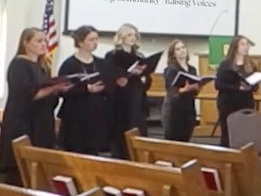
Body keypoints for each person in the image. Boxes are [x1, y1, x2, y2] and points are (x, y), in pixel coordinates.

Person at [0, 28, 71, 185]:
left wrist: (58, 89)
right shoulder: (19, 64)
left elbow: (45, 94)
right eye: (39, 41)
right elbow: (27, 95)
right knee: (20, 173)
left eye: (45, 40)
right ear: (26, 43)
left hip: (41, 123)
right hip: (23, 123)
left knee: (40, 172)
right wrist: (54, 88)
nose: (44, 44)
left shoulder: (41, 66)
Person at [56, 26, 111, 154]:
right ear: (80, 42)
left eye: (96, 39)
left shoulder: (101, 63)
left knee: (94, 153)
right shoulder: (69, 64)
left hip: (96, 115)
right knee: (75, 152)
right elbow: (61, 91)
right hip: (75, 116)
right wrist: (86, 89)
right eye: (91, 39)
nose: (95, 42)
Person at [104, 23, 152, 159]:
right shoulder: (112, 56)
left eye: (134, 35)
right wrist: (119, 79)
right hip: (120, 101)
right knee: (121, 137)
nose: (133, 38)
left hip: (137, 99)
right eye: (129, 35)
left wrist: (144, 79)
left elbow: (147, 78)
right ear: (121, 37)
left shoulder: (140, 56)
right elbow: (108, 77)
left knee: (138, 131)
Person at [214, 35, 258, 147]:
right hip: (228, 103)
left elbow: (255, 85)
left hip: (245, 102)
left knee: (244, 134)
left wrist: (250, 87)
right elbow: (218, 84)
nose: (246, 47)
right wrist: (237, 87)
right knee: (228, 134)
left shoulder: (251, 65)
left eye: (247, 44)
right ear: (235, 46)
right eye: (243, 44)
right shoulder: (226, 64)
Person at [162, 39, 201, 142]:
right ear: (173, 54)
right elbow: (171, 91)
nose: (182, 50)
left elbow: (195, 89)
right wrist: (185, 89)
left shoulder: (192, 69)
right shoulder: (170, 70)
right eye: (178, 49)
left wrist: (197, 87)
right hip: (174, 110)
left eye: (183, 48)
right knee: (174, 140)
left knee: (186, 138)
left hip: (188, 107)